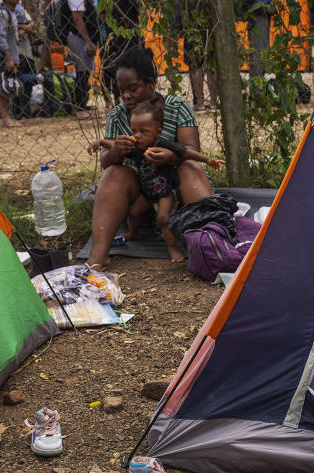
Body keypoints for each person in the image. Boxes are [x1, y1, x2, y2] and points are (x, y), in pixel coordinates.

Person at [86, 46, 213, 270]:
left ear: (151, 84)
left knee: (188, 166)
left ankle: (211, 241)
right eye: (121, 90)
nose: (126, 96)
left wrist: (171, 156)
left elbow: (191, 148)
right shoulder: (117, 114)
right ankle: (98, 256)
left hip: (176, 191)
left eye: (133, 89)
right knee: (114, 173)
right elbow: (106, 162)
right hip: (143, 192)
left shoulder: (177, 107)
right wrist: (117, 150)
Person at [87, 96, 224, 262]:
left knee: (162, 218)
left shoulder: (164, 145)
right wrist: (102, 142)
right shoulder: (138, 147)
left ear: (157, 132)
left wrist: (208, 160)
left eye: (143, 132)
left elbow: (186, 152)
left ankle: (172, 248)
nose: (137, 136)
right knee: (133, 212)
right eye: (134, 131)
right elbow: (115, 146)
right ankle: (133, 232)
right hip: (147, 191)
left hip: (164, 191)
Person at [98, 0, 141, 109]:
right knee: (111, 71)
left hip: (131, 37)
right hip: (112, 37)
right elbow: (101, 16)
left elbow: (140, 10)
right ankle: (113, 101)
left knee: (130, 69)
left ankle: (129, 99)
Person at [66, 0, 99, 119]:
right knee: (82, 72)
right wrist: (88, 42)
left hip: (86, 39)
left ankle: (83, 106)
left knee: (85, 73)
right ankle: (80, 110)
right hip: (79, 38)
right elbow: (77, 19)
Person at [0, 0, 20, 127]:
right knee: (0, 86)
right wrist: (8, 57)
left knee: (7, 86)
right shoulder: (2, 14)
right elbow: (0, 36)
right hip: (2, 57)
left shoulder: (13, 14)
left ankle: (8, 116)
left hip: (11, 55)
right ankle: (5, 118)